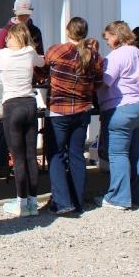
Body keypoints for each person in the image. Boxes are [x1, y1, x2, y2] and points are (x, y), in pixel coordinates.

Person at [0, 23, 45, 217]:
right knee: (30, 157)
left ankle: (20, 203)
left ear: (12, 37)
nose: (5, 39)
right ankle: (33, 203)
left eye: (8, 37)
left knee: (18, 158)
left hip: (12, 106)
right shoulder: (29, 51)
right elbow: (42, 63)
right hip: (30, 104)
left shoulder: (1, 55)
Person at [43, 17, 103, 214]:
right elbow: (99, 82)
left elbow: (40, 70)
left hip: (59, 110)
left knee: (56, 155)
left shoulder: (56, 50)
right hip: (83, 109)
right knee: (77, 154)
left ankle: (62, 202)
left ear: (68, 31)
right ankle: (77, 201)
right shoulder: (94, 56)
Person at [96, 21, 139, 210]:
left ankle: (119, 198)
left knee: (118, 154)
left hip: (122, 108)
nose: (107, 42)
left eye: (108, 38)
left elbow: (106, 81)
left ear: (116, 36)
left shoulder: (116, 56)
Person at [0, 0, 44, 175]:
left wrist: (38, 77)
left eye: (27, 15)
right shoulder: (5, 32)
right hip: (8, 86)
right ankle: (1, 164)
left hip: (28, 87)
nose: (24, 18)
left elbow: (40, 57)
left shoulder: (35, 31)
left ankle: (26, 171)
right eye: (21, 15)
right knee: (4, 126)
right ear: (14, 12)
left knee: (27, 134)